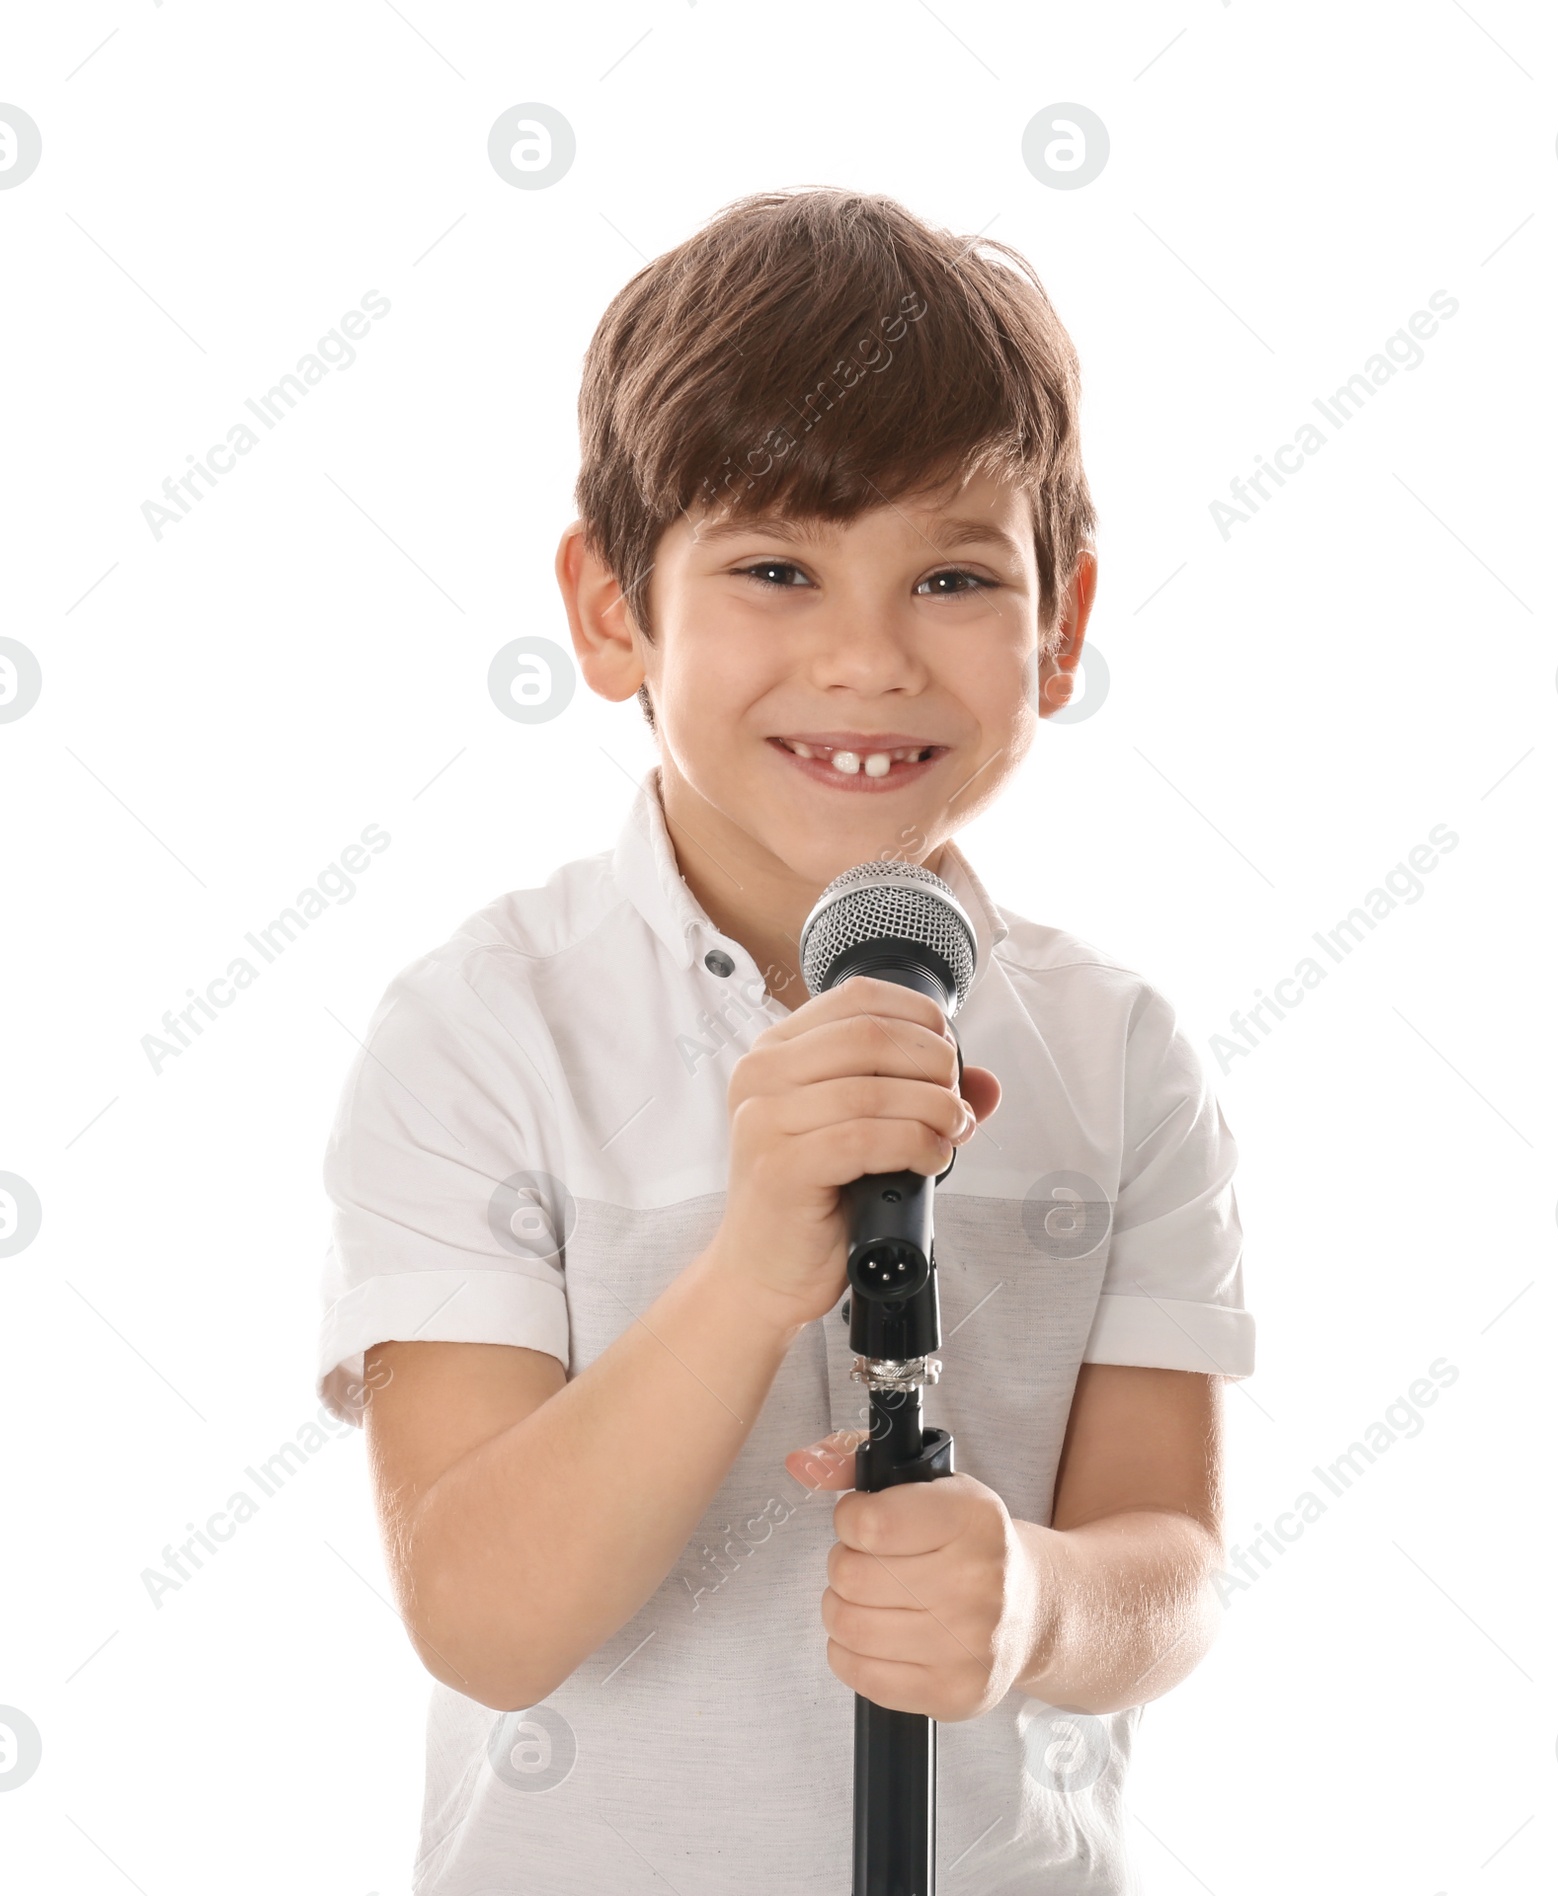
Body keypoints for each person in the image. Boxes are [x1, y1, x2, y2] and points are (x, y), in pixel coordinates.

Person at [317, 186, 1254, 1894]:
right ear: (612, 615)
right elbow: (481, 1619)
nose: (866, 655)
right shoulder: (478, 1034)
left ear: (1062, 626)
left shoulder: (1119, 1054)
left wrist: (1039, 1601)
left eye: (956, 576)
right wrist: (752, 1271)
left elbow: (1172, 1559)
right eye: (773, 568)